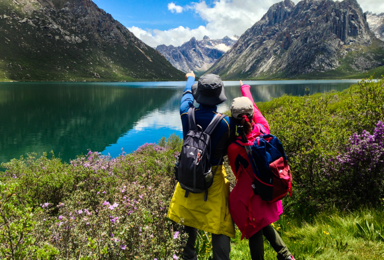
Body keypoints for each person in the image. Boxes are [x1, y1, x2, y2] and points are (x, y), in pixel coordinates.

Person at [167, 71, 236, 260]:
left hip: (188, 178)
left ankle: (189, 256)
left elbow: (186, 95)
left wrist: (190, 77)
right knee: (219, 224)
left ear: (199, 95)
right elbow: (228, 148)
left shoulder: (185, 113)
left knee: (186, 220)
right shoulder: (227, 124)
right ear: (218, 98)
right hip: (213, 180)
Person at [227, 81, 295, 260]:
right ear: (250, 115)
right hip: (270, 185)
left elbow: (236, 172)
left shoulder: (233, 147)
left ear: (233, 119)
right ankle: (285, 255)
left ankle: (282, 255)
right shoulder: (264, 128)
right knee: (263, 222)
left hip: (252, 194)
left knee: (254, 226)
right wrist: (245, 88)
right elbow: (254, 108)